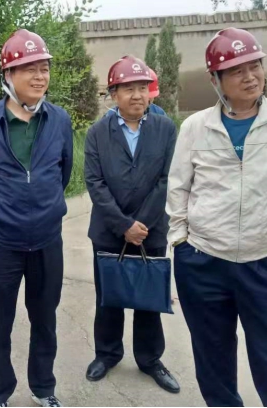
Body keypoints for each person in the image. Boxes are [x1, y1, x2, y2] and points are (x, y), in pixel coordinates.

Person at [167, 27, 267, 407]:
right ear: (215, 80)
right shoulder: (196, 127)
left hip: (265, 261)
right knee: (213, 359)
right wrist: (180, 242)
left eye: (255, 65)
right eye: (236, 70)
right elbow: (178, 188)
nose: (250, 76)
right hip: (203, 261)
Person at [0, 29, 73, 407]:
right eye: (29, 69)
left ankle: (43, 389)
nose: (40, 77)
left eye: (44, 69)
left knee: (45, 320)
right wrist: (0, 211)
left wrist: (42, 207)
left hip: (46, 240)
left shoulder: (59, 121)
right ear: (8, 75)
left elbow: (63, 173)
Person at [84, 55, 180, 394]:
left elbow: (168, 179)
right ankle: (107, 354)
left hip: (151, 231)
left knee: (148, 299)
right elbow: (95, 182)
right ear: (114, 94)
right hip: (109, 230)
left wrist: (141, 223)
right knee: (108, 297)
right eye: (129, 89)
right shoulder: (97, 133)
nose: (137, 95)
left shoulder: (165, 129)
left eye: (142, 88)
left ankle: (150, 358)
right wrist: (124, 224)